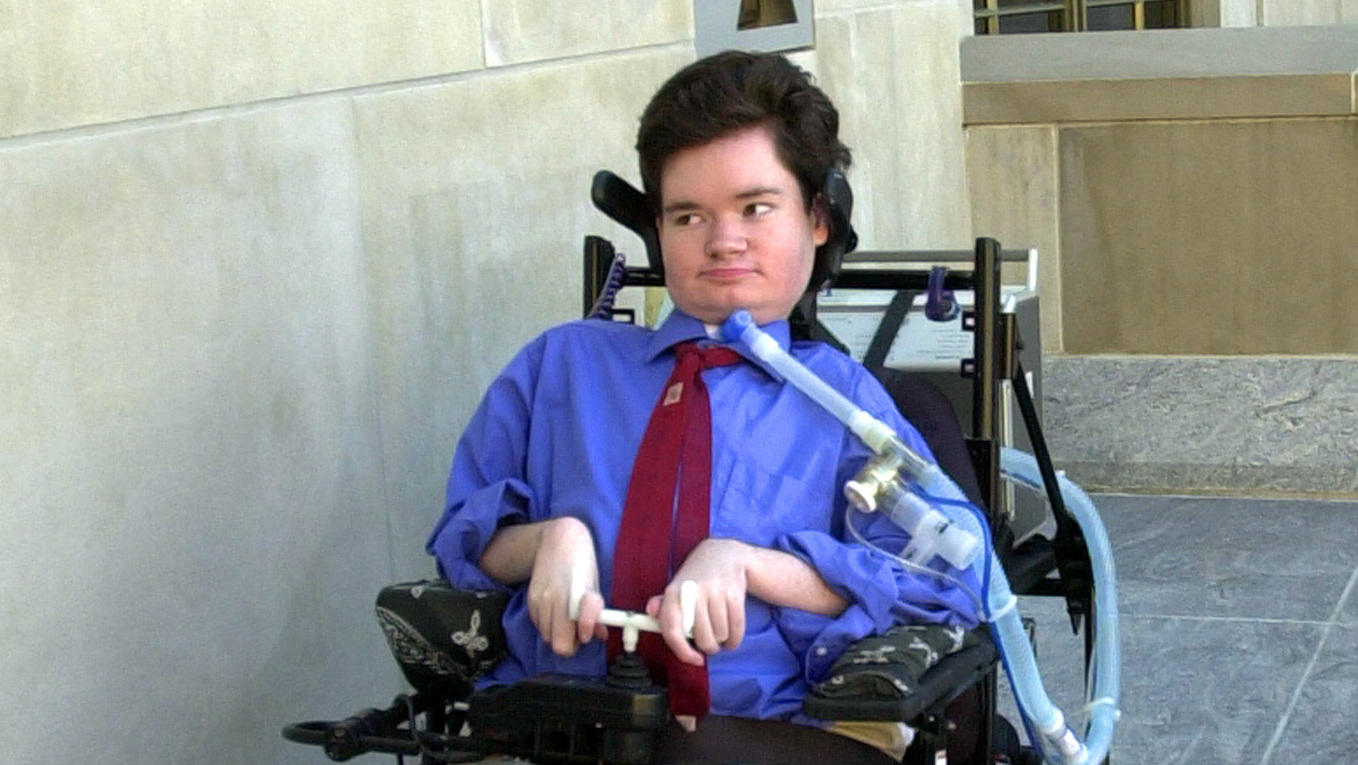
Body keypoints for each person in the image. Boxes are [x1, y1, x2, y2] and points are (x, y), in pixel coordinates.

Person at [427, 51, 980, 764]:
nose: (723, 241)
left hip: (766, 728)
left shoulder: (846, 402)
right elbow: (462, 540)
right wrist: (547, 540)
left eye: (755, 207)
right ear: (656, 227)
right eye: (689, 215)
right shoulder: (560, 367)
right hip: (556, 720)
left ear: (817, 217)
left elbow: (946, 582)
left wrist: (751, 565)